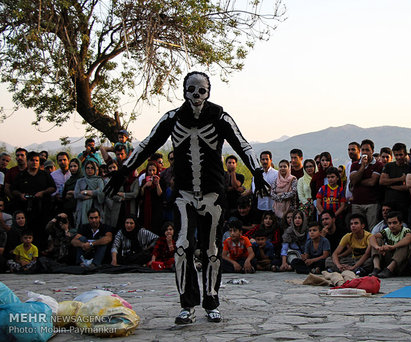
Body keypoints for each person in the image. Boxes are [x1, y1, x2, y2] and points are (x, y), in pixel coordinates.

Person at [104, 72, 268, 325]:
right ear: (184, 91)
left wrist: (257, 171)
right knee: (182, 247)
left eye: (201, 91)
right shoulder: (172, 119)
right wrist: (124, 171)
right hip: (183, 195)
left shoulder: (220, 118)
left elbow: (243, 145)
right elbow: (147, 145)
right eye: (191, 90)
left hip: (213, 194)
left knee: (212, 249)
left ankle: (211, 301)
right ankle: (187, 304)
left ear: (208, 92)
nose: (196, 96)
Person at [11, 151, 56, 246]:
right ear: (27, 161)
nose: (34, 162)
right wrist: (20, 195)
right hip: (25, 209)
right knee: (26, 232)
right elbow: (13, 190)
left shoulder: (44, 174)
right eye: (32, 160)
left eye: (37, 160)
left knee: (42, 232)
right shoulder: (21, 175)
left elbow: (53, 188)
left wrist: (43, 192)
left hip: (42, 209)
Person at [349, 140, 383, 230]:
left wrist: (358, 181)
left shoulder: (378, 165)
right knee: (357, 228)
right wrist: (362, 166)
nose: (365, 152)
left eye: (367, 150)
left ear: (372, 151)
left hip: (372, 203)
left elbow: (372, 182)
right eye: (363, 150)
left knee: (372, 228)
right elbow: (353, 181)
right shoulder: (355, 165)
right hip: (357, 203)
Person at [369, 211, 411, 278]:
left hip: (400, 263)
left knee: (405, 245)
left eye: (394, 223)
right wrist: (378, 247)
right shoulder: (387, 230)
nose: (392, 226)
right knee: (377, 240)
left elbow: (409, 238)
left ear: (401, 223)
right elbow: (372, 237)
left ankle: (389, 270)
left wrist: (393, 247)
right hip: (388, 259)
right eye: (389, 223)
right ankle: (376, 268)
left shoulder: (405, 230)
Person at [379, 143, 410, 221]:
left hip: (404, 204)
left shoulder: (409, 168)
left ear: (405, 154)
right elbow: (382, 181)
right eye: (396, 155)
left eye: (401, 155)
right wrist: (400, 179)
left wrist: (390, 186)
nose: (399, 157)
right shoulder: (389, 166)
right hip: (389, 203)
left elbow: (406, 187)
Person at [74, 160, 105, 226]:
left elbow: (101, 192)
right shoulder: (80, 181)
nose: (90, 170)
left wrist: (86, 192)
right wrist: (94, 193)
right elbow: (76, 194)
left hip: (95, 206)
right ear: (84, 169)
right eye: (88, 168)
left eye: (92, 168)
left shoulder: (99, 180)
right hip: (82, 208)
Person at [139, 162, 164, 232]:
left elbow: (160, 194)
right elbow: (141, 194)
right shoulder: (144, 181)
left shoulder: (160, 180)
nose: (152, 172)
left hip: (156, 209)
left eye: (153, 170)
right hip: (145, 208)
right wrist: (145, 186)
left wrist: (157, 184)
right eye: (149, 170)